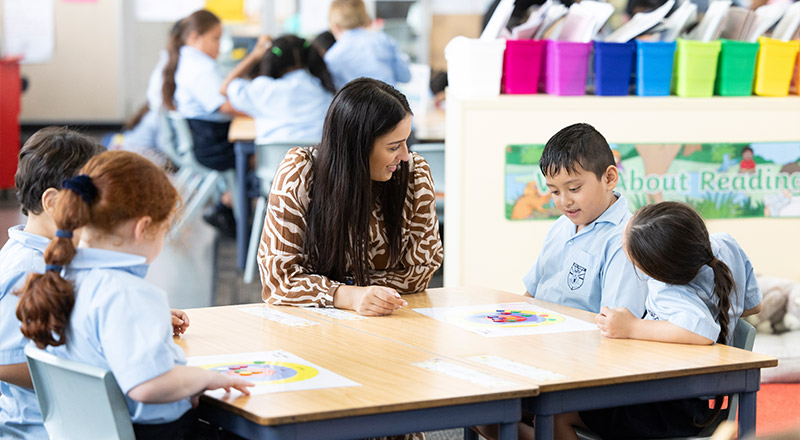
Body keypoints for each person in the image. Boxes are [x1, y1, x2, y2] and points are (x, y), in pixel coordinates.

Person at [14, 151, 252, 438]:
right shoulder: (129, 294)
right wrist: (205, 379)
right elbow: (147, 385)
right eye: (164, 230)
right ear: (143, 229)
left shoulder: (64, 277)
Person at [555, 201, 763, 440]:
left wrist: (632, 326)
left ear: (655, 271)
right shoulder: (725, 244)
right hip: (698, 399)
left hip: (671, 406)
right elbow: (754, 306)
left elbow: (703, 331)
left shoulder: (669, 290)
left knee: (557, 413)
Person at [257, 78, 443, 316]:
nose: (405, 156)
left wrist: (327, 286)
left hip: (387, 318)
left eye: (406, 142)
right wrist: (350, 295)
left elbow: (420, 272)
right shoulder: (300, 171)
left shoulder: (414, 174)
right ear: (358, 147)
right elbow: (278, 282)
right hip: (312, 323)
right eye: (394, 146)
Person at [0, 127, 104, 439]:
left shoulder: (50, 255)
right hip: (40, 427)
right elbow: (6, 363)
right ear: (53, 201)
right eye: (93, 198)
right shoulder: (29, 267)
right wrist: (89, 363)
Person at [522, 123, 647, 315]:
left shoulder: (625, 241)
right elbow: (530, 294)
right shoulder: (561, 226)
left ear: (609, 178)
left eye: (574, 189)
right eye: (554, 191)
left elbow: (617, 325)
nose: (564, 201)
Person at [162, 9, 238, 237]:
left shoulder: (189, 61)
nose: (220, 45)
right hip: (210, 144)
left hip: (202, 138)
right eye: (215, 38)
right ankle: (232, 206)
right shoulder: (199, 68)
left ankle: (230, 204)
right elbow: (221, 106)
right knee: (254, 155)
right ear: (195, 37)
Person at [220, 34, 335, 145]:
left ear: (272, 60)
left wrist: (255, 55)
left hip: (274, 164)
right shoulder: (325, 88)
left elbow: (225, 88)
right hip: (318, 163)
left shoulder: (263, 89)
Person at [324, 0, 411, 89]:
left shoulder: (332, 57)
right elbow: (405, 77)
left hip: (355, 102)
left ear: (334, 26)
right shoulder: (384, 40)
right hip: (390, 101)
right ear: (366, 19)